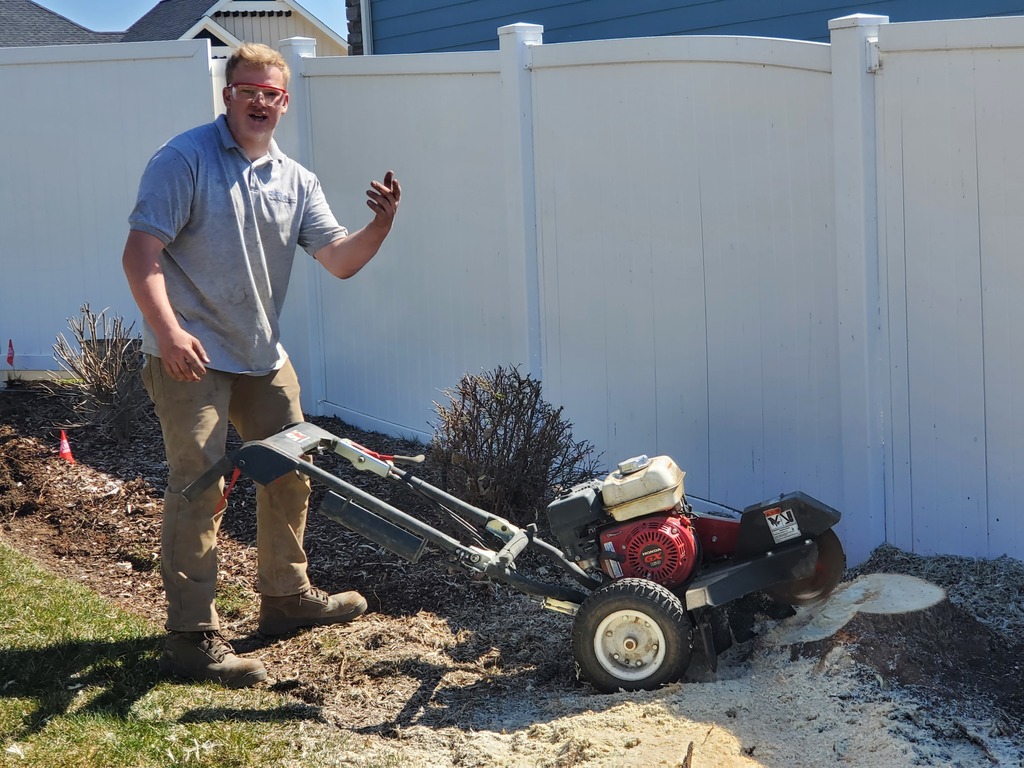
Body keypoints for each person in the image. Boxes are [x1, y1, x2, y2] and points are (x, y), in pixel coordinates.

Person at [122, 42, 401, 688]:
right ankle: (191, 636)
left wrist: (379, 227)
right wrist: (166, 331)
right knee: (199, 484)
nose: (260, 102)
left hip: (259, 356)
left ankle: (284, 598)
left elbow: (338, 259)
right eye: (249, 90)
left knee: (292, 468)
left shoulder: (295, 180)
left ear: (284, 102)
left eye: (271, 93)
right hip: (190, 354)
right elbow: (141, 254)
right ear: (228, 95)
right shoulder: (183, 160)